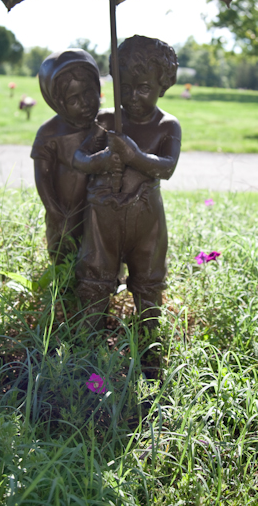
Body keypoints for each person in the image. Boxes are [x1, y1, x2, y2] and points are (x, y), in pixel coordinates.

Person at [73, 35, 181, 330]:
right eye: (125, 87)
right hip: (101, 215)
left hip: (145, 219)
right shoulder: (106, 121)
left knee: (148, 279)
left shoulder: (166, 126)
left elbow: (168, 168)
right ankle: (89, 340)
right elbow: (79, 157)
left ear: (164, 84)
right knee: (95, 275)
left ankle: (148, 342)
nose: (133, 96)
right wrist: (102, 160)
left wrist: (133, 155)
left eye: (144, 88)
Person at [31, 49, 104, 261]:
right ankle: (64, 285)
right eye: (73, 100)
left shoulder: (106, 124)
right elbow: (42, 176)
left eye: (89, 93)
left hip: (100, 208)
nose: (85, 103)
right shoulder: (49, 134)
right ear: (58, 102)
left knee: (101, 248)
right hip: (65, 209)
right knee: (64, 247)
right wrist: (53, 209)